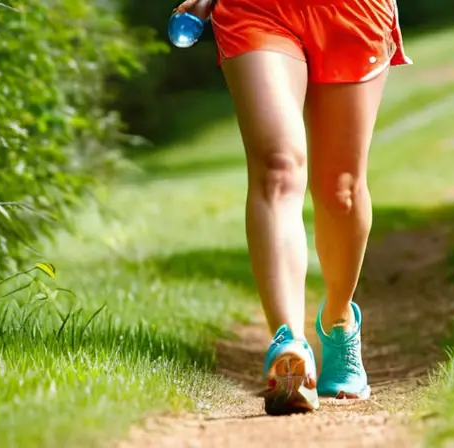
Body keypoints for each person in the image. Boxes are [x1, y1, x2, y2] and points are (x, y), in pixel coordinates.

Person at [175, 0, 412, 415]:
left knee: (341, 189)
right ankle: (288, 346)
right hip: (256, 9)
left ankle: (339, 323)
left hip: (350, 10)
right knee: (277, 167)